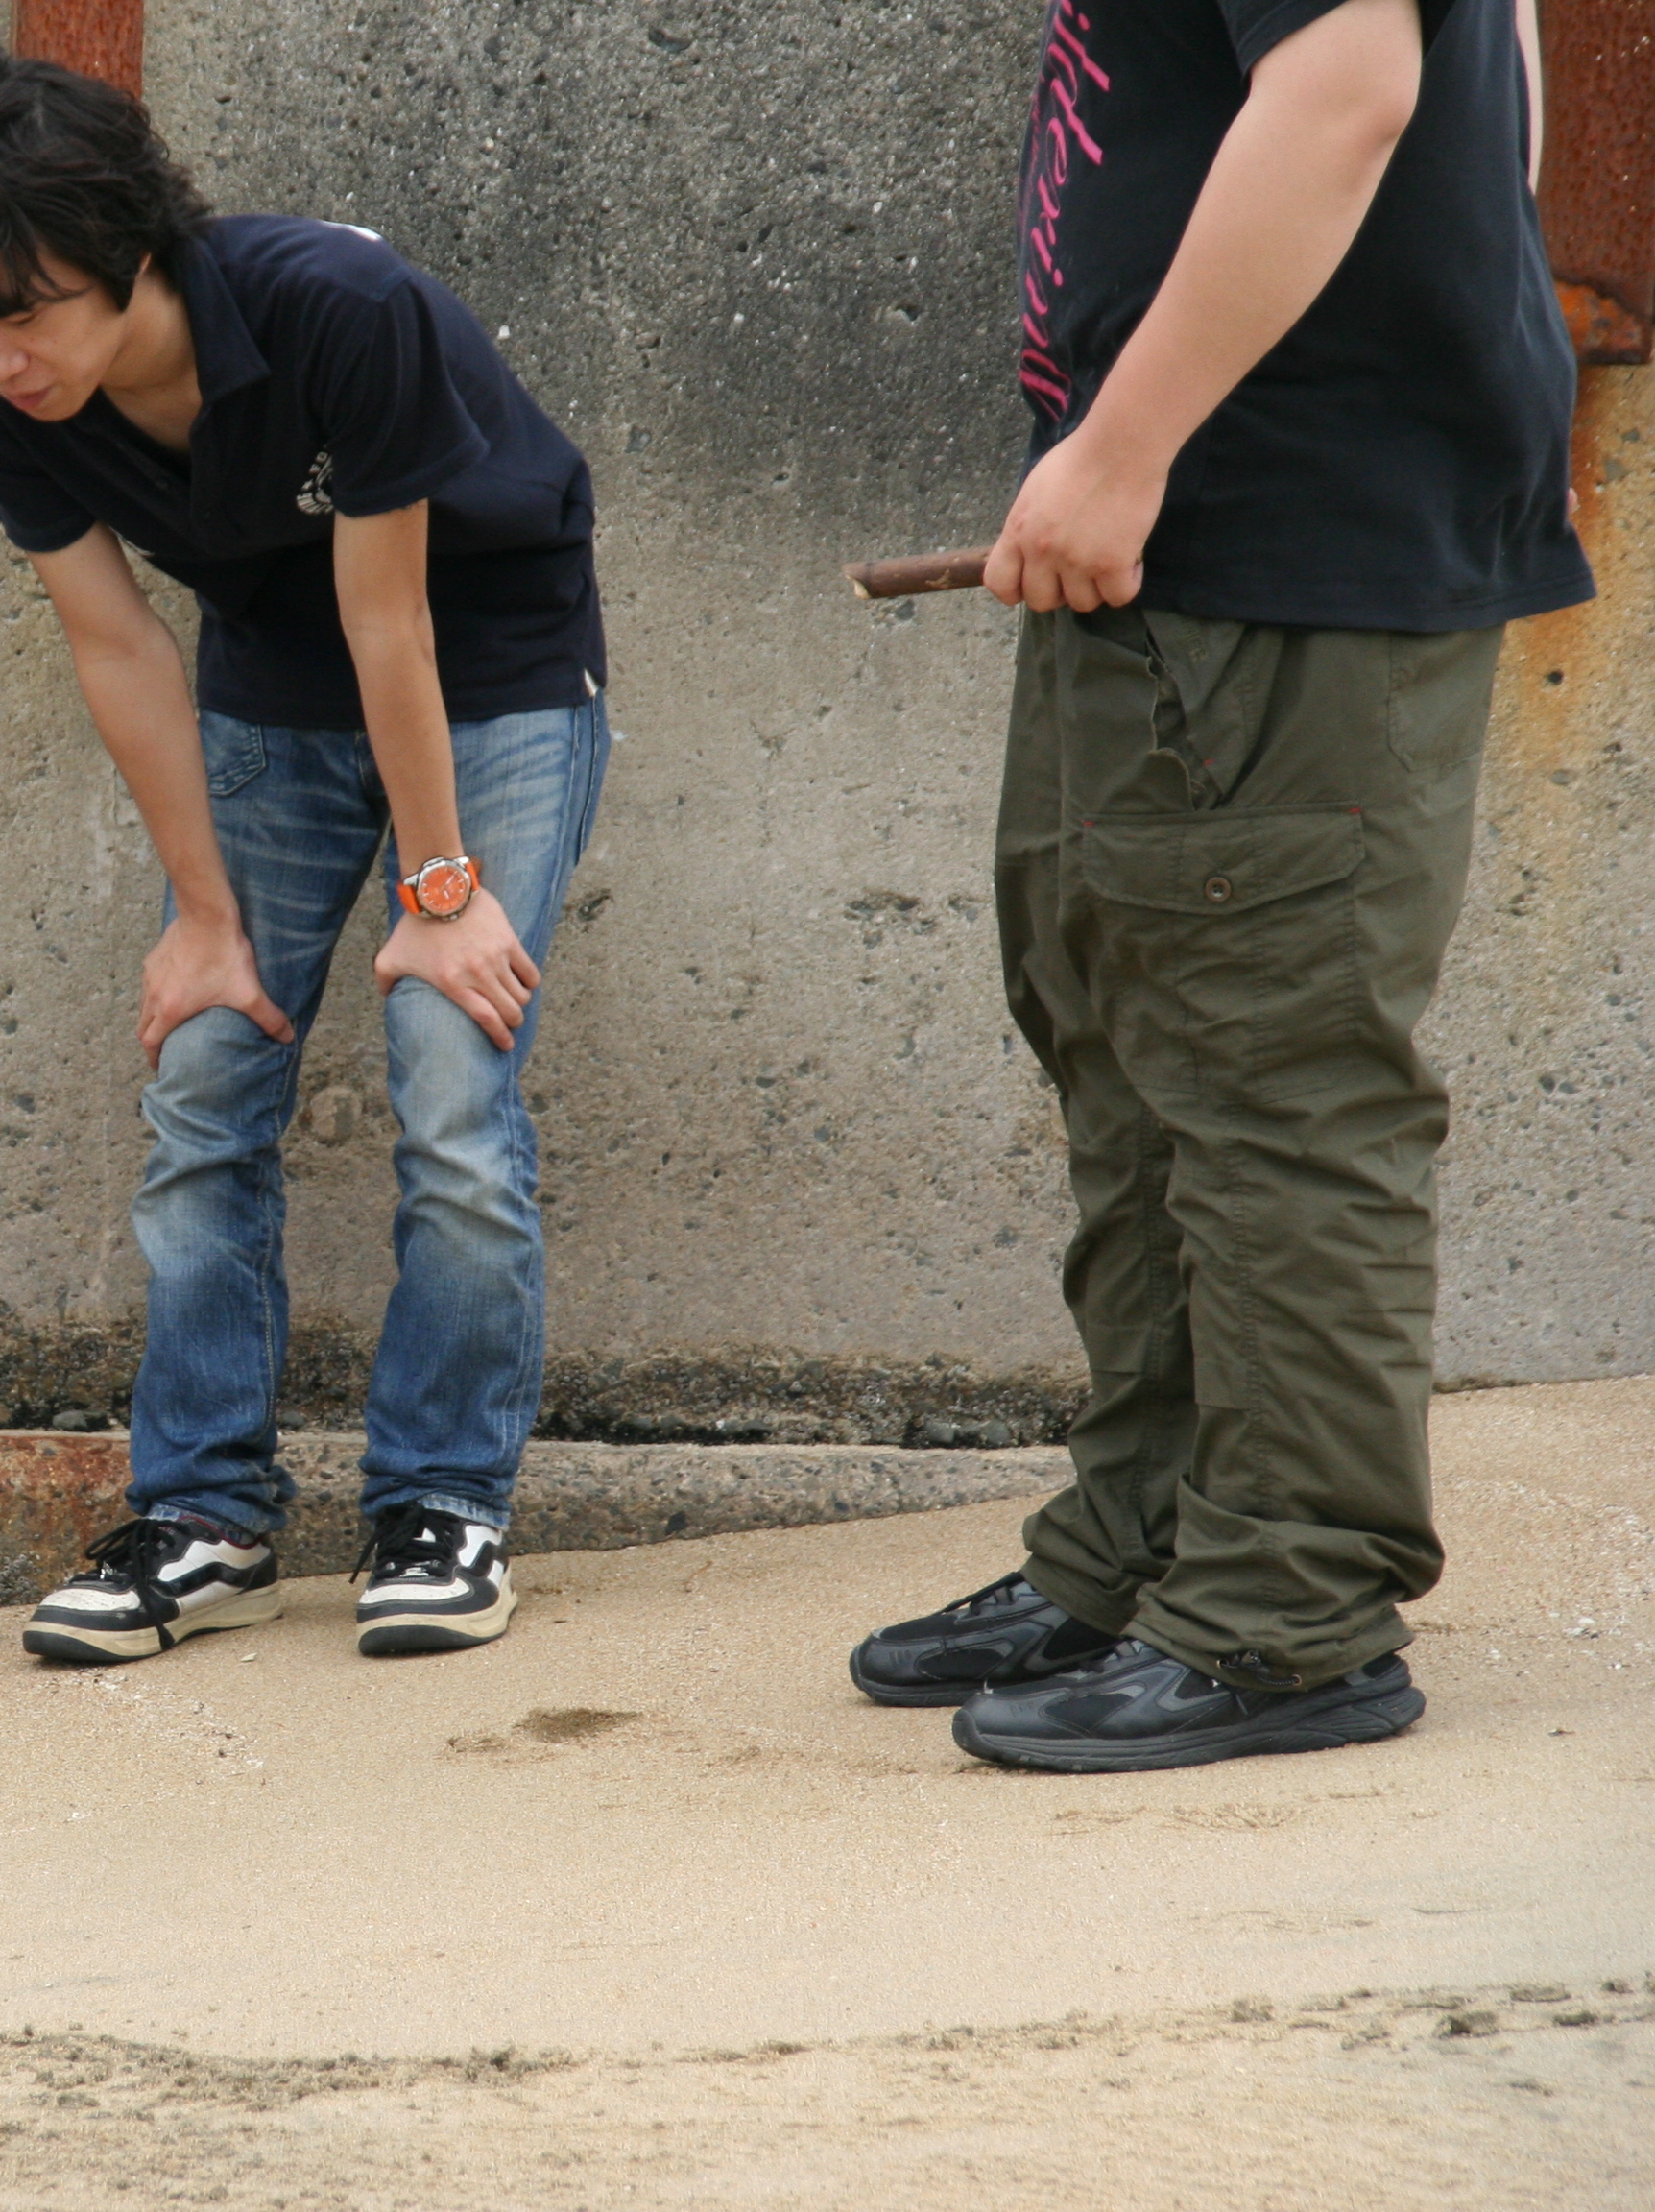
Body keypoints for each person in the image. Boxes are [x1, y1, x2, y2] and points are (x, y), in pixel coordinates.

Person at [850, 0, 1591, 1768]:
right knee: (1126, 1048)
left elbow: (1348, 92)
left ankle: (1288, 1610)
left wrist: (1124, 448)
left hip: (1273, 530)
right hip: (1185, 538)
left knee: (1272, 1078)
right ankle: (1154, 1540)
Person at [0, 35, 611, 1663]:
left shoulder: (341, 309)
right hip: (270, 675)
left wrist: (441, 891)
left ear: (132, 252)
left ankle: (443, 1502)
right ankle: (204, 1515)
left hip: (487, 668)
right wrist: (201, 917)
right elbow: (118, 640)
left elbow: (391, 616)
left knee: (450, 1072)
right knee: (206, 1068)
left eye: (24, 312)